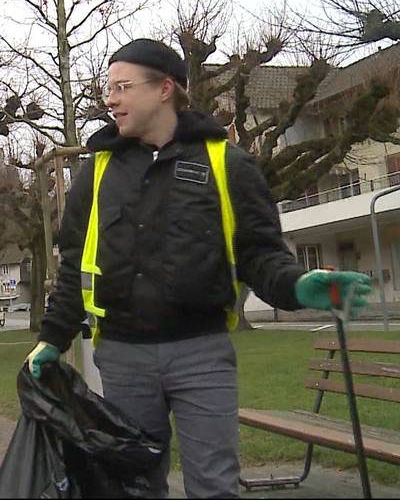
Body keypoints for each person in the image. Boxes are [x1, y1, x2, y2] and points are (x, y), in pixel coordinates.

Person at [25, 39, 373, 498]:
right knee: (131, 487)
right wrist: (53, 337)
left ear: (165, 88)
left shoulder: (227, 164)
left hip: (202, 354)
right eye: (109, 89)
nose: (110, 99)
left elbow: (260, 254)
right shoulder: (95, 172)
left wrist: (298, 284)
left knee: (213, 487)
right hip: (124, 356)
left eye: (123, 87)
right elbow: (76, 263)